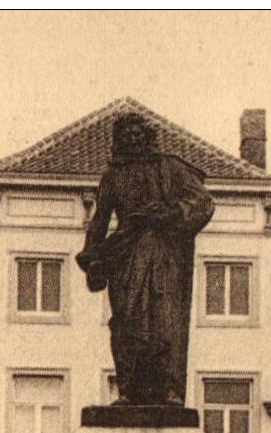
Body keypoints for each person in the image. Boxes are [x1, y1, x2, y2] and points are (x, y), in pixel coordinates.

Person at [76, 112, 215, 406]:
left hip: (163, 256)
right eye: (125, 135)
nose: (132, 139)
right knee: (126, 321)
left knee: (164, 320)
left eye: (137, 133)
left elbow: (202, 201)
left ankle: (169, 391)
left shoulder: (171, 168)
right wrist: (92, 261)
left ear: (148, 136)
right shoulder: (112, 177)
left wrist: (167, 215)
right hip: (125, 258)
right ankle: (128, 390)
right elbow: (98, 222)